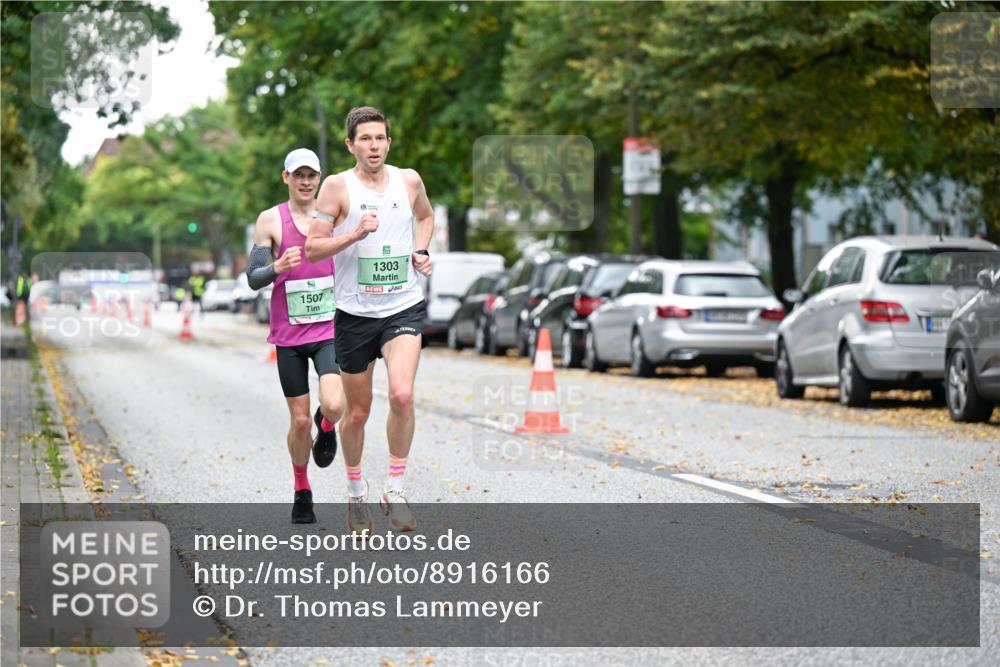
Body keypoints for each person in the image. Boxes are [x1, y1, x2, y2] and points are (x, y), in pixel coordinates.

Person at [306, 106, 433, 534]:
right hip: (355, 313)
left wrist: (422, 251)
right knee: (357, 414)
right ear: (351, 145)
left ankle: (395, 490)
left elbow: (426, 216)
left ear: (389, 142)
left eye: (380, 138)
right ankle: (356, 494)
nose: (373, 146)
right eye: (365, 139)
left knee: (401, 394)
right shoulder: (336, 188)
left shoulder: (408, 180)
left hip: (402, 305)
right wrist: (355, 234)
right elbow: (313, 249)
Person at [246, 148, 346, 524]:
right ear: (286, 177)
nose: (306, 182)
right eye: (298, 175)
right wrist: (276, 266)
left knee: (334, 404)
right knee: (299, 422)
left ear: (319, 178)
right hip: (288, 337)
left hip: (328, 330)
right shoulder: (270, 220)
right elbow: (253, 278)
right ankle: (302, 490)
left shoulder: (334, 216)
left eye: (312, 175)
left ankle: (327, 426)